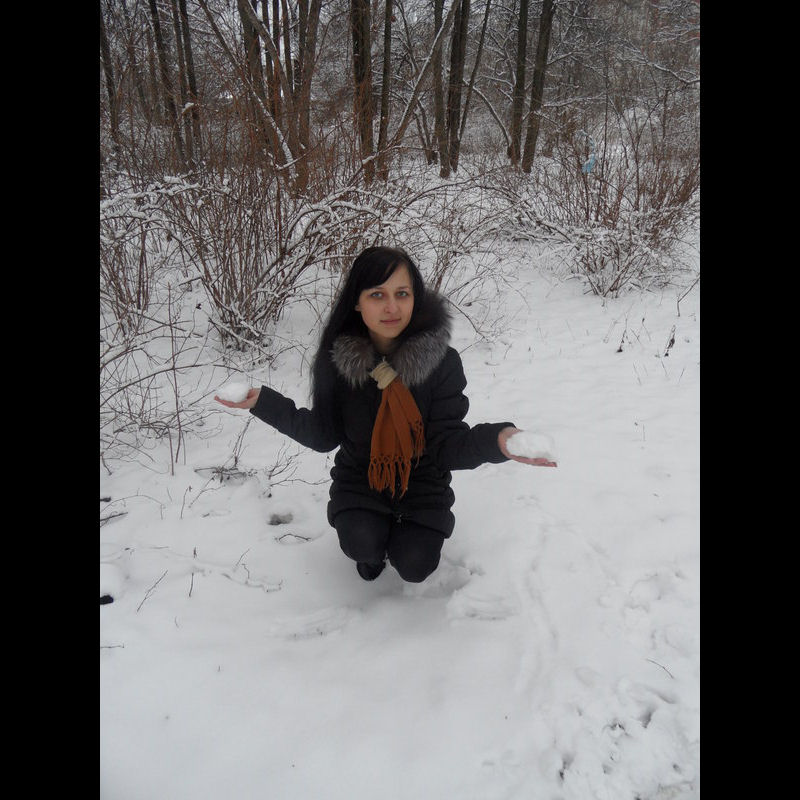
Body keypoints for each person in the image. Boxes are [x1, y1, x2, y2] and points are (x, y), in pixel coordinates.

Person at [215, 246, 556, 584]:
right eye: (377, 294)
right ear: (357, 301)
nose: (392, 307)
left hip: (423, 482)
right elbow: (323, 435)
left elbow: (446, 444)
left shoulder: (441, 363)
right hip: (360, 478)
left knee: (416, 566)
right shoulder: (339, 363)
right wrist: (264, 403)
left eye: (402, 294)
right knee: (362, 543)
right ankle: (371, 554)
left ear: (414, 298)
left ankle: (403, 542)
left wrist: (498, 440)